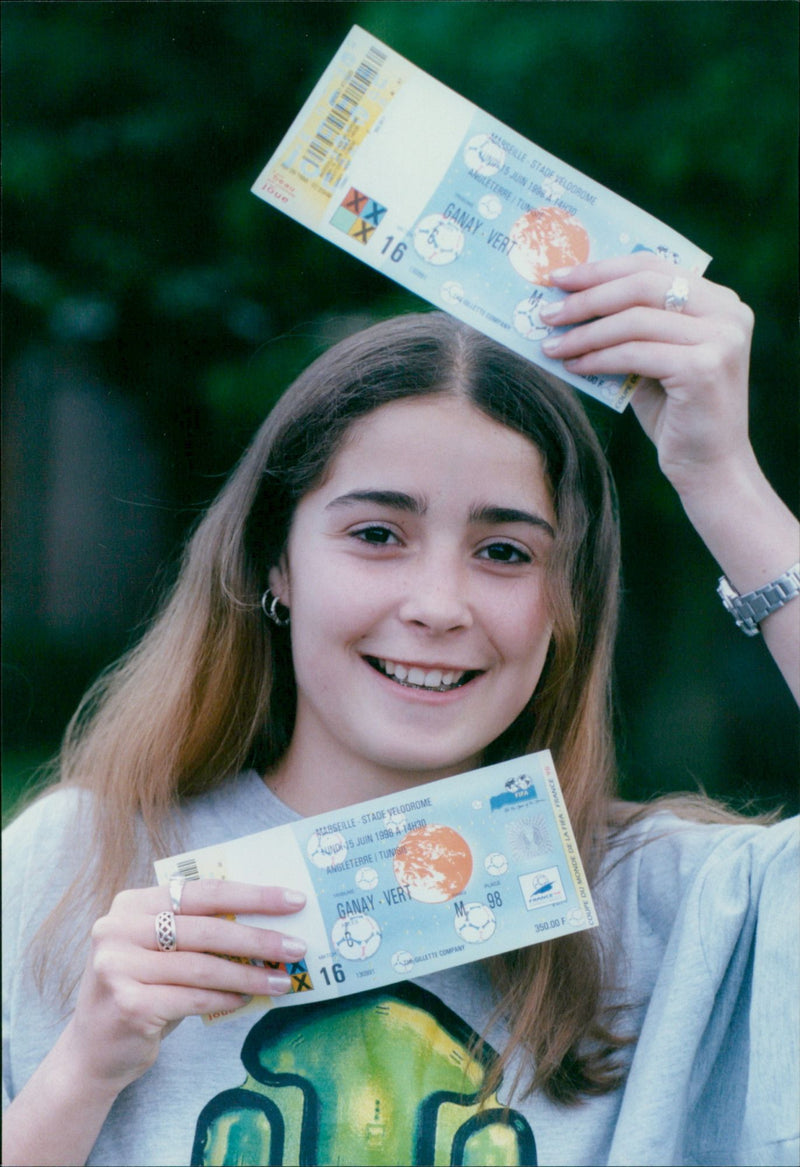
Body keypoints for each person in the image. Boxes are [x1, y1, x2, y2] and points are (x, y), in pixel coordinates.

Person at [3, 253, 798, 1167]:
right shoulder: (73, 864)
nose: (437, 603)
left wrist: (724, 479)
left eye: (504, 551)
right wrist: (84, 1069)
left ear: (566, 604)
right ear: (277, 564)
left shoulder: (677, 907)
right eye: (378, 534)